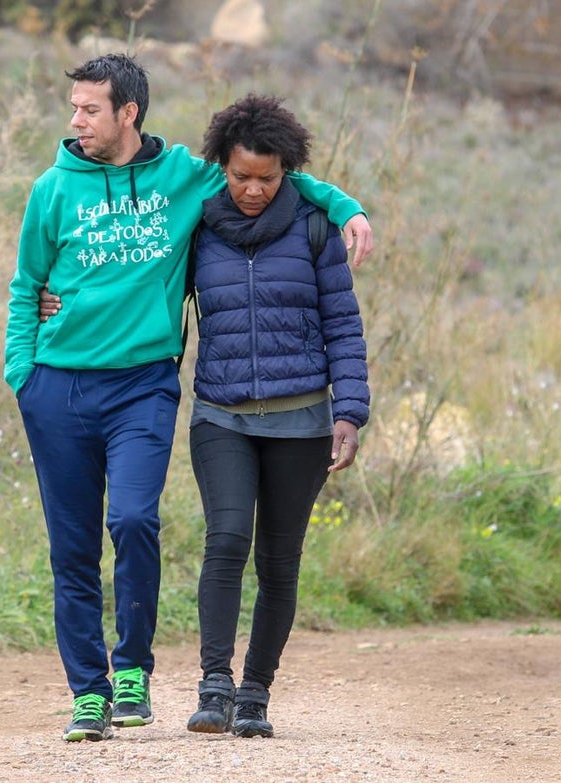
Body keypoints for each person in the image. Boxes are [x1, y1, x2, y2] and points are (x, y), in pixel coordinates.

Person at [4, 53, 373, 743]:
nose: (75, 119)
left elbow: (272, 172)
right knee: (75, 548)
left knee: (138, 521)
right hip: (63, 387)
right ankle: (93, 691)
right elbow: (26, 285)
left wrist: (346, 206)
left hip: (146, 383)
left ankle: (144, 669)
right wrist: (21, 375)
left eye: (90, 108)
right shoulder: (54, 189)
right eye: (75, 107)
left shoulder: (184, 179)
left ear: (128, 112)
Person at [181, 94, 370, 739]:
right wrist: (60, 297)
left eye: (268, 177)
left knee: (279, 562)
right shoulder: (197, 225)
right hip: (221, 416)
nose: (254, 189)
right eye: (242, 177)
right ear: (222, 169)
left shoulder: (315, 226)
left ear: (287, 171)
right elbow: (139, 288)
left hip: (302, 422)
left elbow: (344, 327)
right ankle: (213, 685)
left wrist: (349, 413)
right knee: (227, 539)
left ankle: (255, 692)